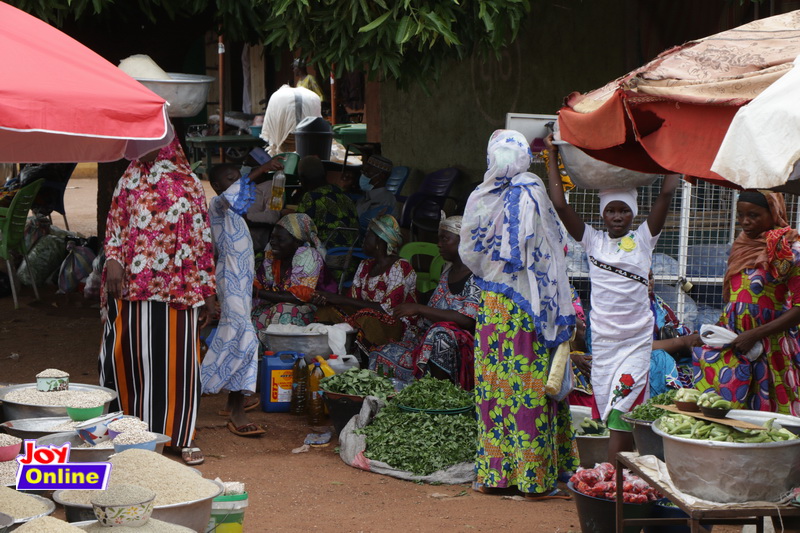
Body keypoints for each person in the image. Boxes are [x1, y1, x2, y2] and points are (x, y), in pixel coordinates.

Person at [544, 133, 680, 463]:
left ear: (633, 214)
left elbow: (665, 194)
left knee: (623, 404)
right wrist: (551, 155)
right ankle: (629, 471)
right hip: (603, 343)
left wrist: (675, 152)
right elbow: (560, 205)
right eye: (611, 211)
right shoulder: (593, 242)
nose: (617, 217)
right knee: (610, 408)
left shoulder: (645, 239)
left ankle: (612, 473)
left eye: (623, 211)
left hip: (635, 341)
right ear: (603, 215)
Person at [460, 130, 578, 499]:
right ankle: (535, 478)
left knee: (495, 388)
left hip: (494, 307)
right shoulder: (533, 191)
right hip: (531, 307)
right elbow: (553, 252)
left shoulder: (480, 196)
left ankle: (497, 476)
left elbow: (471, 253)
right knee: (530, 388)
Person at [99, 137, 216, 466]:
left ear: (166, 142)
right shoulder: (128, 178)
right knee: (129, 356)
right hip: (132, 285)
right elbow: (115, 225)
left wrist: (208, 291)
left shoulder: (187, 182)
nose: (139, 147)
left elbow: (201, 237)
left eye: (148, 140)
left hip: (177, 287)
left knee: (176, 363)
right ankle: (128, 431)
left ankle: (181, 435)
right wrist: (112, 261)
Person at [694, 190, 800, 414]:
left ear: (774, 213)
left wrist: (755, 334)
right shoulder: (740, 248)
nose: (745, 222)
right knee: (726, 409)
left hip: (770, 345)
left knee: (772, 414)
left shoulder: (789, 250)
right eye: (740, 215)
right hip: (734, 341)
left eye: (753, 215)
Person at [202, 160, 282, 438]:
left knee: (236, 336)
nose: (237, 183)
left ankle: (226, 396)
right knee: (245, 336)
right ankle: (232, 403)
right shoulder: (217, 205)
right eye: (230, 179)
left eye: (238, 178)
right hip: (230, 278)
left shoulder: (237, 214)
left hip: (243, 281)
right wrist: (262, 169)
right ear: (216, 186)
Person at [368, 216, 479, 388]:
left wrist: (418, 308)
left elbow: (466, 319)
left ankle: (439, 394)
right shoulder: (447, 272)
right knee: (381, 354)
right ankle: (394, 400)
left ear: (463, 241)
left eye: (445, 239)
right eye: (439, 238)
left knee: (441, 334)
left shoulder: (477, 276)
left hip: (461, 348)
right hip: (429, 340)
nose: (439, 244)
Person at [313, 215, 417, 352]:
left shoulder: (400, 267)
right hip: (365, 318)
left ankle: (362, 358)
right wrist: (329, 299)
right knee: (326, 310)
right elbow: (353, 301)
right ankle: (326, 352)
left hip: (396, 326)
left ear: (380, 241)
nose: (363, 239)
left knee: (367, 317)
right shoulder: (365, 265)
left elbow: (389, 309)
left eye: (368, 235)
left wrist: (339, 298)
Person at [252, 213, 335, 330]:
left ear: (297, 242)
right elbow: (258, 282)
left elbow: (297, 297)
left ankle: (280, 347)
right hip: (281, 306)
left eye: (280, 239)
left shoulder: (308, 256)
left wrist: (256, 292)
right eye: (272, 238)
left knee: (282, 312)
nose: (273, 242)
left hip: (317, 310)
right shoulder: (272, 257)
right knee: (250, 314)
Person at [293, 156, 359, 247]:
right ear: (326, 173)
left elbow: (298, 229)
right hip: (353, 251)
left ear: (302, 178)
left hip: (328, 252)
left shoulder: (312, 197)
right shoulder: (341, 192)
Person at [355, 155, 396, 231]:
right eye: (363, 172)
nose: (363, 176)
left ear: (381, 176)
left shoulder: (386, 200)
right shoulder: (366, 196)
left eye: (367, 173)